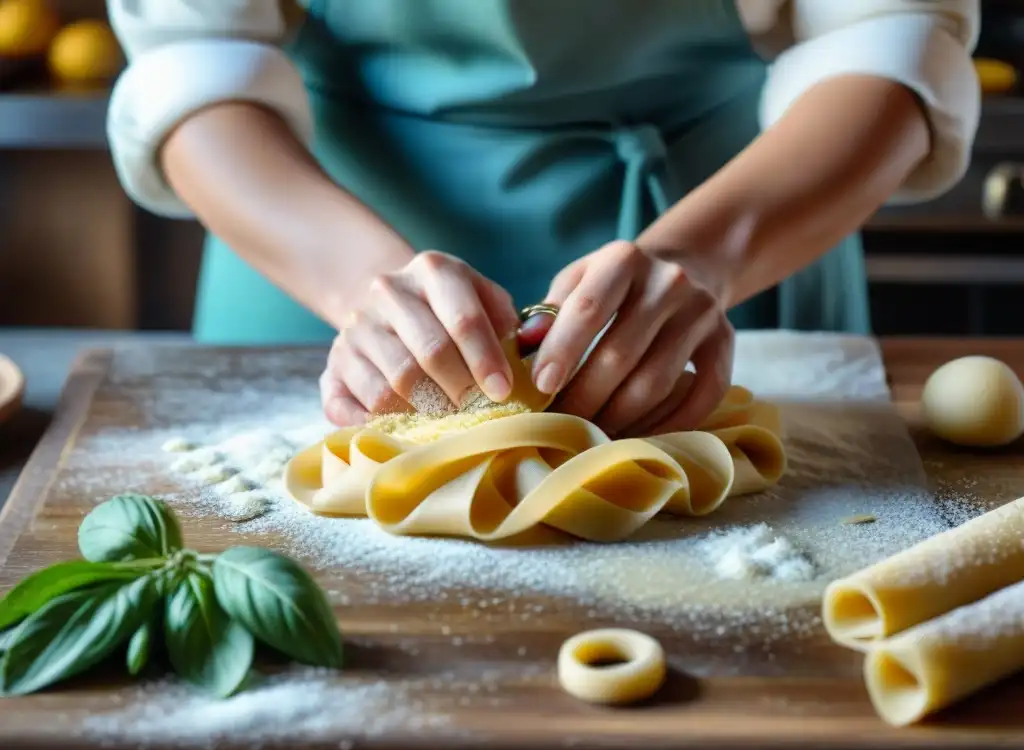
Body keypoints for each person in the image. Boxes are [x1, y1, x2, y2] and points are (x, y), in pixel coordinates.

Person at [105, 1, 980, 437]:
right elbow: (195, 64)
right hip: (319, 246)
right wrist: (359, 286)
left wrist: (704, 258)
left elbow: (889, 36)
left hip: (736, 225)